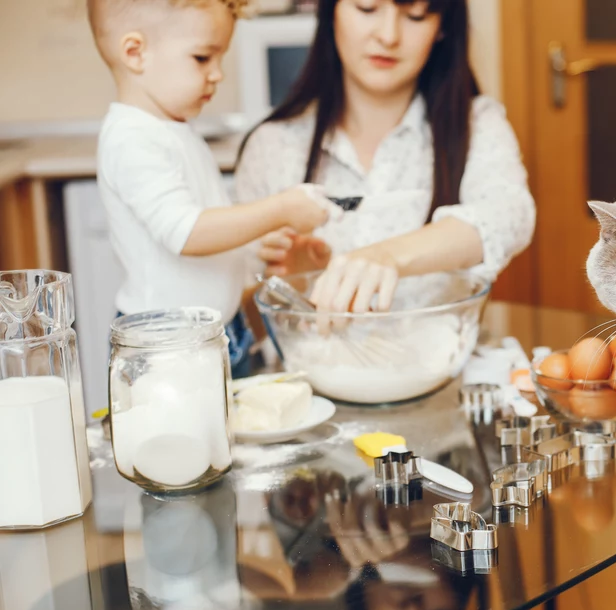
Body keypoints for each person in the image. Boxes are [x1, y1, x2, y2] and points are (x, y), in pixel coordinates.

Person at [86, 0, 340, 376]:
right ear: (135, 53)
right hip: (167, 346)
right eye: (203, 58)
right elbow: (186, 233)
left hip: (213, 330)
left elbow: (204, 225)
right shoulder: (132, 138)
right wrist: (281, 208)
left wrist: (254, 243)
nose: (217, 74)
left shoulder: (172, 131)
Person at [235, 0, 536, 314]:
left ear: (443, 27)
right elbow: (241, 327)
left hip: (438, 361)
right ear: (330, 12)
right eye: (367, 8)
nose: (389, 36)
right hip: (307, 363)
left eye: (415, 16)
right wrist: (291, 285)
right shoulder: (271, 146)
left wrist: (385, 257)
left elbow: (510, 215)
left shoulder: (476, 125)